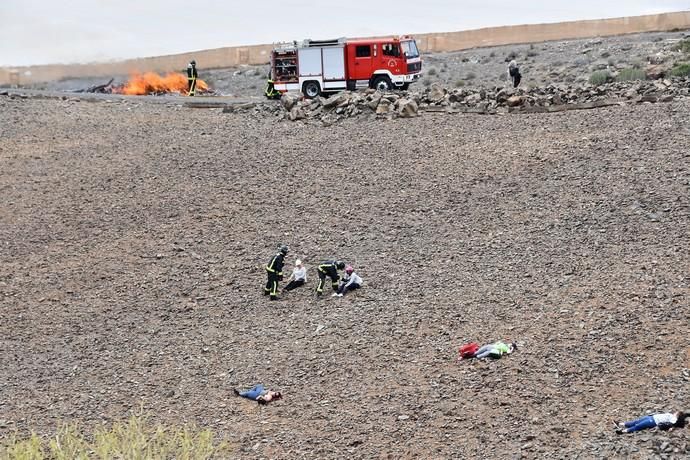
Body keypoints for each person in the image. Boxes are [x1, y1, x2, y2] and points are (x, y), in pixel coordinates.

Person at [614, 412, 687, 434]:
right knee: (636, 421)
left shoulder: (674, 418)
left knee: (638, 426)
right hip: (651, 417)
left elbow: (672, 424)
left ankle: (623, 431)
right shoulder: (671, 415)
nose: (675, 412)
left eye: (677, 412)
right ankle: (620, 424)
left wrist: (672, 428)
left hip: (653, 421)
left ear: (678, 415)